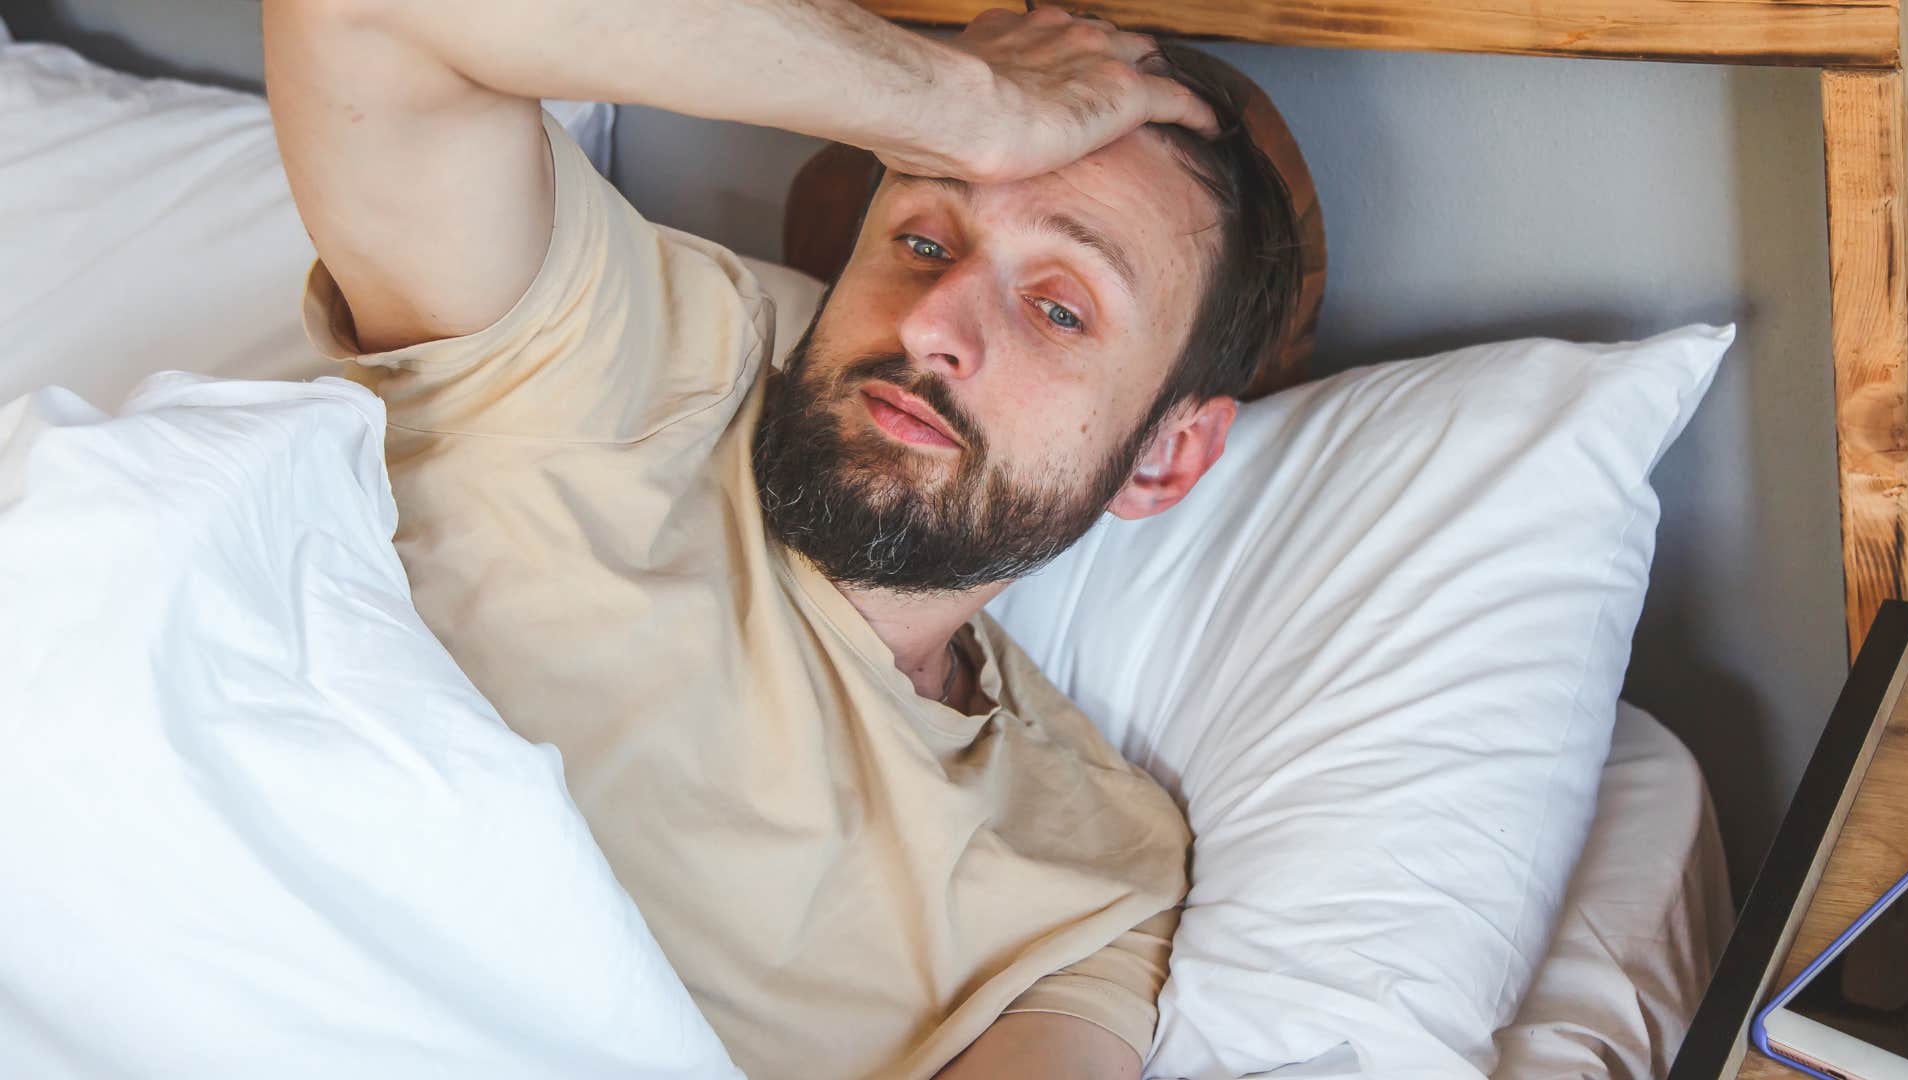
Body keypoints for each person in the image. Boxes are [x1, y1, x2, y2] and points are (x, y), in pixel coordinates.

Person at [262, 1, 1298, 1076]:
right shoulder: (624, 380)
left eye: (1059, 310)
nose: (931, 325)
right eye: (925, 238)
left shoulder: (1093, 861)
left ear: (1162, 458)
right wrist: (958, 102)